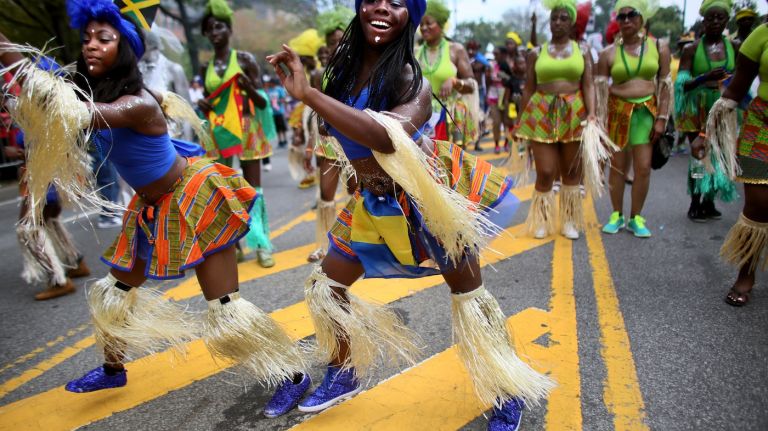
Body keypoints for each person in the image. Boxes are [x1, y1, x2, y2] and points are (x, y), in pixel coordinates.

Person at [265, 0, 553, 427]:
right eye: (373, 0)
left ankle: (506, 389)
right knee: (326, 287)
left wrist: (310, 95)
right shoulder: (340, 75)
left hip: (430, 198)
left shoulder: (409, 79)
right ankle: (343, 372)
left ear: (411, 18)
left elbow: (385, 136)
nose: (382, 8)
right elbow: (344, 136)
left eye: (397, 2)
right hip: (375, 199)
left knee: (469, 298)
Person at [0, 0, 305, 394]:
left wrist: (21, 62)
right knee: (113, 293)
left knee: (225, 309)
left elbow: (73, 110)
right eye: (87, 38)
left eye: (104, 38)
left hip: (193, 201)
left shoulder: (136, 104)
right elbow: (42, 83)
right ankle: (113, 370)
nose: (91, 44)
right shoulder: (97, 91)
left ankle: (292, 376)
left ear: (124, 50)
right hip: (150, 208)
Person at [197, 0, 276, 267]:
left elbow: (264, 102)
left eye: (219, 26)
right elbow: (209, 101)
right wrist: (202, 104)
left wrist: (248, 87)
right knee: (224, 189)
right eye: (209, 28)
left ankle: (261, 243)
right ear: (206, 35)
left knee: (254, 189)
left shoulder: (244, 60)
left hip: (247, 128)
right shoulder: (204, 68)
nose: (215, 31)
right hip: (219, 132)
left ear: (229, 30)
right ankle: (234, 243)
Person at [514, 0, 598, 241]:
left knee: (572, 172)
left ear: (572, 22)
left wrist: (592, 113)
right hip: (540, 112)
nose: (558, 22)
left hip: (574, 112)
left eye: (563, 18)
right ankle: (541, 220)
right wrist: (520, 121)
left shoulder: (583, 51)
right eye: (554, 18)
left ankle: (570, 220)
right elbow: (528, 89)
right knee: (546, 171)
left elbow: (589, 84)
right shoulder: (535, 53)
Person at [702, 4, 768, 306]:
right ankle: (747, 273)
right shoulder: (761, 36)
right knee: (758, 205)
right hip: (761, 126)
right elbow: (736, 89)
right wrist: (708, 133)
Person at [596, 0, 672, 238]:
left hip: (646, 114)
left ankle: (636, 217)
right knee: (617, 169)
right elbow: (599, 92)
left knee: (643, 168)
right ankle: (617, 214)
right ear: (616, 21)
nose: (626, 20)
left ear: (642, 18)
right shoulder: (607, 53)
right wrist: (598, 124)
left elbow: (665, 86)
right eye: (622, 16)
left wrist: (661, 118)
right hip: (617, 113)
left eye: (632, 14)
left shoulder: (659, 47)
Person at [675, 0, 738, 223]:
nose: (714, 22)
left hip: (722, 109)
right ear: (703, 21)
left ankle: (709, 201)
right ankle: (695, 201)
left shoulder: (733, 47)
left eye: (720, 17)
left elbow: (741, 79)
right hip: (697, 110)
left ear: (726, 20)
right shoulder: (691, 49)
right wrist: (705, 78)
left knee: (718, 156)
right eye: (710, 18)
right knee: (698, 156)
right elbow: (682, 84)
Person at [11, 130, 91, 300]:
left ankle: (58, 281)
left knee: (28, 227)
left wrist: (21, 153)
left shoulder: (29, 109)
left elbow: (45, 145)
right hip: (54, 174)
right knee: (49, 220)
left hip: (44, 176)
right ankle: (75, 262)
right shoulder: (29, 109)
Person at [304, 6, 357, 263]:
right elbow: (315, 109)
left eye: (340, 41)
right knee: (326, 194)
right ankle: (324, 245)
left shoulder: (361, 68)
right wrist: (309, 145)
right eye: (331, 43)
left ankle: (358, 240)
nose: (335, 46)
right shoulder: (320, 73)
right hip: (329, 142)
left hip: (356, 141)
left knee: (357, 192)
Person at [417, 0, 479, 148]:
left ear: (441, 25)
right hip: (422, 117)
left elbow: (472, 85)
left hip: (450, 118)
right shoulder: (415, 52)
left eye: (429, 23)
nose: (424, 28)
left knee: (451, 167)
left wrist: (454, 81)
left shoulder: (455, 49)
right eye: (422, 24)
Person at [467, 39, 490, 151]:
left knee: (479, 116)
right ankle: (465, 142)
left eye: (473, 49)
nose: (471, 51)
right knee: (467, 116)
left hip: (479, 91)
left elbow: (487, 76)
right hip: (467, 91)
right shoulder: (465, 60)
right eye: (469, 48)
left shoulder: (481, 63)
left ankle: (477, 142)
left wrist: (487, 93)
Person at [264, 75, 289, 148]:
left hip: (280, 111)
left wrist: (277, 101)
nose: (269, 84)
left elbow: (284, 99)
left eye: (270, 83)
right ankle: (280, 141)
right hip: (273, 112)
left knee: (282, 127)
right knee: (277, 128)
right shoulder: (268, 91)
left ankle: (285, 140)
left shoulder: (279, 89)